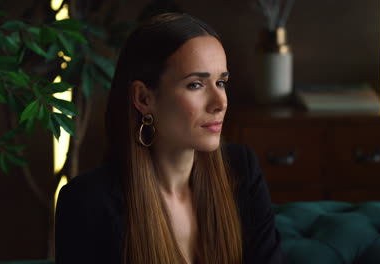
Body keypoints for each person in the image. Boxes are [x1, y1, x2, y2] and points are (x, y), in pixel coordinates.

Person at [55, 12, 283, 264]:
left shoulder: (242, 170)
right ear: (144, 98)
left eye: (221, 82)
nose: (220, 103)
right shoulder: (87, 202)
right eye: (196, 84)